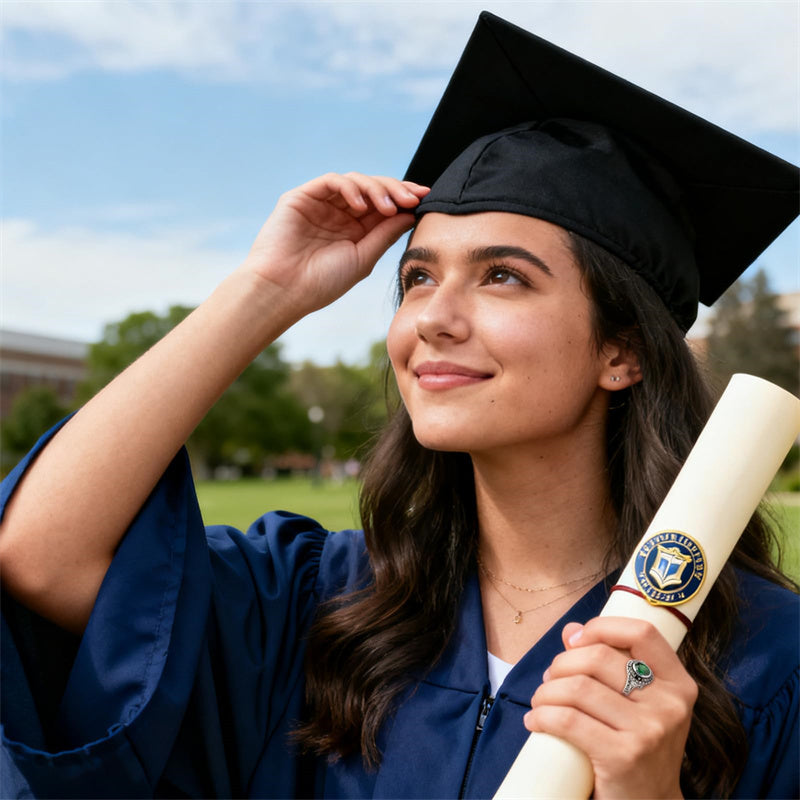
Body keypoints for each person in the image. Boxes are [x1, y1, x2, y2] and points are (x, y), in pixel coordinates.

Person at [1, 12, 797, 800]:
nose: (431, 320)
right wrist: (265, 293)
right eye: (417, 277)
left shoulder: (766, 661)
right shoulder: (321, 604)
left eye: (502, 276)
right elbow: (41, 556)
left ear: (620, 351)